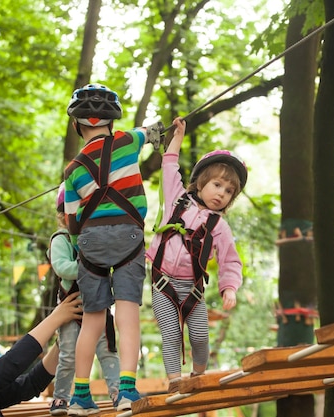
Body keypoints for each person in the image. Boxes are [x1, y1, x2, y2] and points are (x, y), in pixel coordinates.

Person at [63, 83, 163, 414]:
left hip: (90, 241)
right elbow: (149, 132)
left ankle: (79, 397)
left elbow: (71, 221)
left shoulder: (72, 170)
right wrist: (163, 131)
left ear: (78, 126)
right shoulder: (127, 141)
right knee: (127, 314)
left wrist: (82, 255)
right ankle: (126, 392)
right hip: (127, 237)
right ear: (111, 122)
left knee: (92, 320)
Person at [145, 117, 247, 392]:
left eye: (229, 192)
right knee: (171, 334)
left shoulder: (220, 227)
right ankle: (175, 381)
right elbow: (169, 166)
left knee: (200, 336)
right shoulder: (177, 200)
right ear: (201, 183)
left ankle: (198, 375)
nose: (222, 194)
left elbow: (230, 260)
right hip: (162, 282)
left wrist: (229, 288)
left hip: (192, 288)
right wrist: (177, 137)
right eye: (217, 185)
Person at [48, 182, 120, 416]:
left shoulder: (97, 240)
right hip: (74, 308)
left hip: (98, 305)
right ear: (63, 216)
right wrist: (88, 266)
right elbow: (61, 267)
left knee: (107, 350)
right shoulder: (61, 239)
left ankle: (117, 392)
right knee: (69, 353)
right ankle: (61, 398)